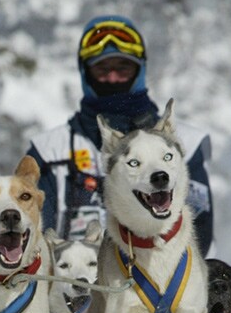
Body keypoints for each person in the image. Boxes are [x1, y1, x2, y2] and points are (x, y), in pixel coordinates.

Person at [27, 14, 214, 257]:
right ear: (85, 73)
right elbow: (35, 241)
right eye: (102, 70)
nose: (113, 78)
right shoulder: (50, 151)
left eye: (123, 68)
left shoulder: (184, 143)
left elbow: (201, 238)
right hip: (76, 287)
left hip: (165, 285)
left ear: (140, 70)